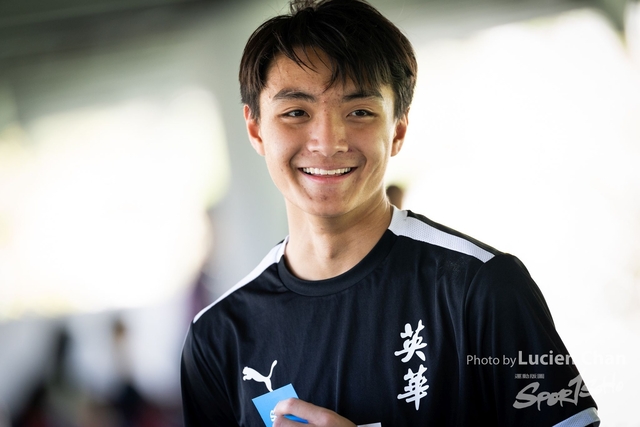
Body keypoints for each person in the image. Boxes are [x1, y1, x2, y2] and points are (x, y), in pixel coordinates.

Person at [180, 0, 600, 426]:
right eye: (296, 113)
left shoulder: (480, 287)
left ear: (397, 129)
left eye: (359, 112)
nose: (328, 142)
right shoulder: (218, 337)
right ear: (255, 129)